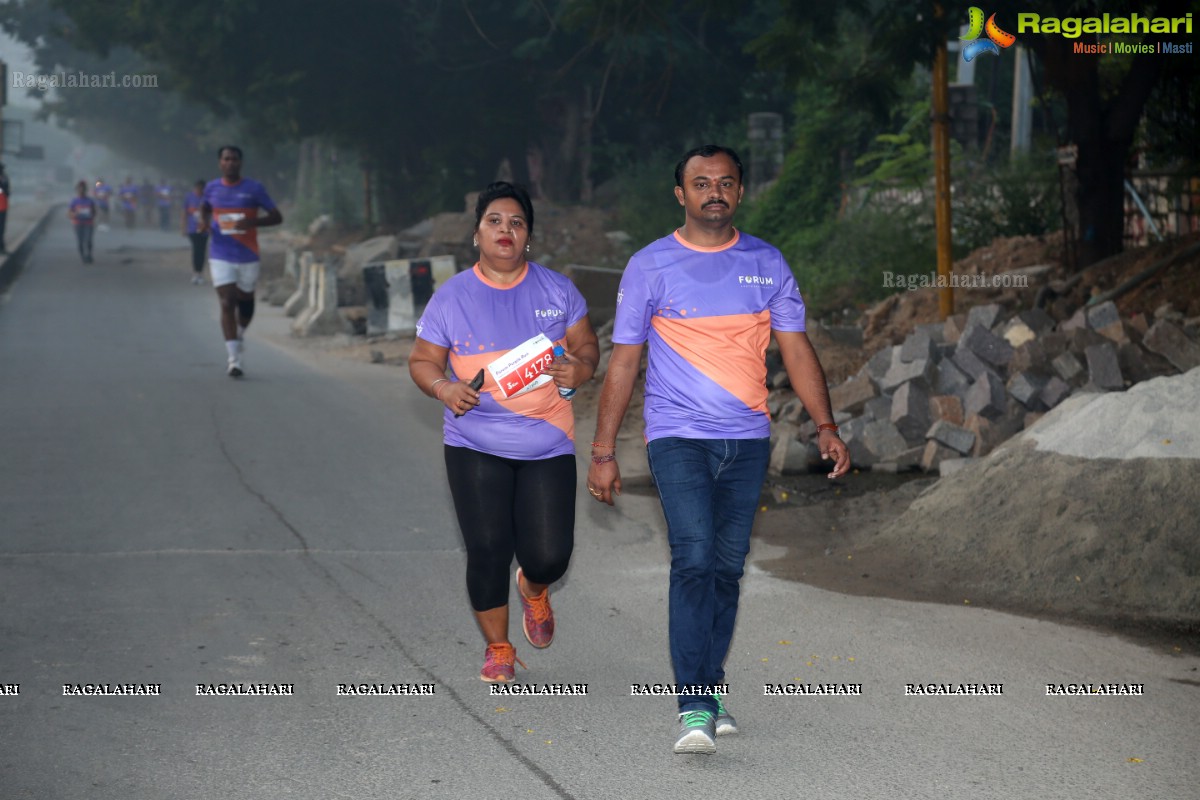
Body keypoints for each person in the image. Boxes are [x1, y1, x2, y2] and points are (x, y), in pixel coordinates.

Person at [587, 144, 850, 754]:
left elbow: (796, 348)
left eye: (725, 183)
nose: (714, 192)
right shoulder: (650, 266)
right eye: (700, 183)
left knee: (728, 568)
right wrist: (602, 449)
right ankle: (694, 706)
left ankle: (710, 682)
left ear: (739, 192)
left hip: (748, 439)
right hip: (678, 436)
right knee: (695, 556)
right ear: (680, 194)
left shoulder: (767, 262)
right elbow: (624, 361)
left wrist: (825, 426)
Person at [408, 181, 599, 682]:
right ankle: (499, 646)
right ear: (477, 234)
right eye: (495, 221)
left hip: (547, 439)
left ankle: (534, 588)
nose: (505, 230)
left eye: (516, 222)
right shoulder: (451, 298)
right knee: (487, 545)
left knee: (550, 555)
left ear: (528, 236)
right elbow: (423, 360)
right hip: (474, 440)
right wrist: (444, 389)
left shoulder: (558, 290)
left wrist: (580, 370)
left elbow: (586, 348)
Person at [200, 146, 283, 378]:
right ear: (220, 163)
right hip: (220, 253)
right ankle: (234, 359)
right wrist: (204, 222)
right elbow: (205, 207)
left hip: (247, 254)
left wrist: (252, 223)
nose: (230, 163)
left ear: (240, 163)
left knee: (245, 300)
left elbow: (277, 217)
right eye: (226, 159)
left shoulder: (254, 188)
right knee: (227, 302)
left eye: (234, 159)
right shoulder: (212, 187)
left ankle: (240, 332)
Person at [182, 180, 208, 284]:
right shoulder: (189, 197)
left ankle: (200, 273)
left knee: (202, 251)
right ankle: (195, 273)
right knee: (196, 250)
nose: (199, 190)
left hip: (204, 229)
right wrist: (183, 228)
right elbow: (184, 213)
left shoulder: (207, 198)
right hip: (192, 228)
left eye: (201, 188)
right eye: (197, 188)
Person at [67, 181, 97, 263]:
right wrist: (75, 214)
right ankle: (83, 256)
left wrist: (90, 215)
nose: (81, 191)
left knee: (88, 241)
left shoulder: (90, 201)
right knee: (80, 242)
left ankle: (89, 254)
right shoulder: (74, 201)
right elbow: (69, 214)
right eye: (79, 190)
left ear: (85, 190)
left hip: (88, 223)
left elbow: (94, 212)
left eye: (83, 190)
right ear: (77, 191)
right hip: (77, 224)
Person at [0, 163, 10, 254]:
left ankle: (2, 247)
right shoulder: (4, 178)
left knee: (2, 228)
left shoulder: (4, 178)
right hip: (2, 206)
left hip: (3, 206)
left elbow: (7, 192)